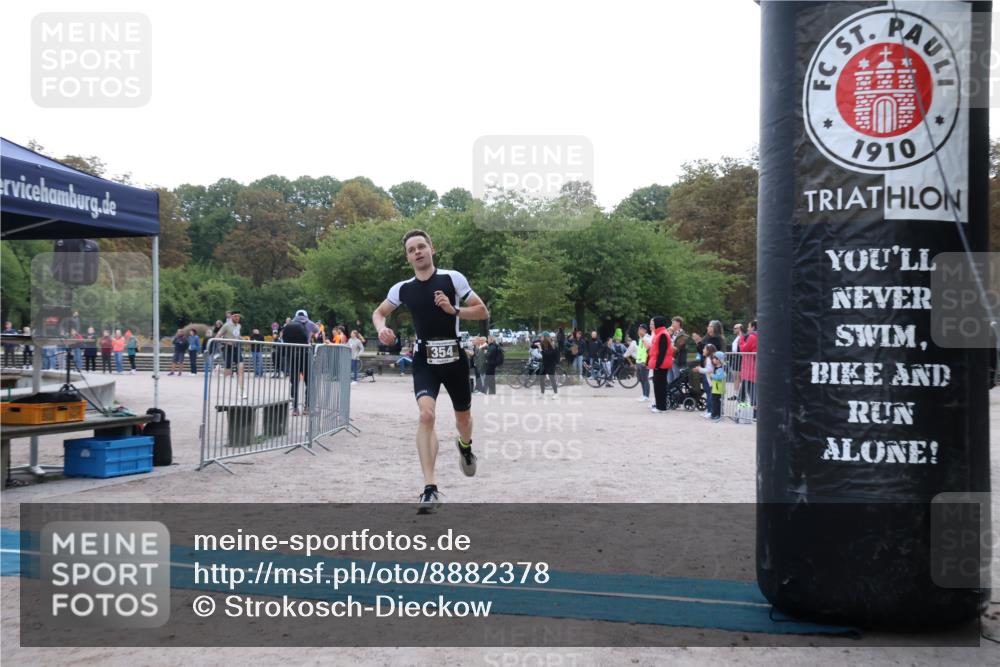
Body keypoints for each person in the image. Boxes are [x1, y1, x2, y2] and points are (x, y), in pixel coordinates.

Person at [372, 229, 490, 514]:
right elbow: (379, 313)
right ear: (407, 257)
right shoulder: (402, 288)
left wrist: (454, 311)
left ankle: (465, 445)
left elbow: (483, 311)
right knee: (426, 415)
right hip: (425, 359)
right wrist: (382, 330)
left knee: (464, 419)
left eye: (421, 247)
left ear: (432, 249)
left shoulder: (453, 279)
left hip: (454, 357)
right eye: (411, 249)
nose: (417, 252)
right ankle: (430, 488)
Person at [280, 310, 315, 416]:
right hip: (305, 355)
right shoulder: (309, 323)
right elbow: (317, 330)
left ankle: (295, 408)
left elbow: (283, 339)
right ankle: (307, 407)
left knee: (294, 382)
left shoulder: (288, 325)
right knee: (308, 382)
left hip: (292, 356)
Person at [216, 311, 246, 398]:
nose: (237, 318)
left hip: (237, 348)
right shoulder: (226, 325)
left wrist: (244, 339)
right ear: (232, 317)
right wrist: (226, 341)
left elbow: (237, 336)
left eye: (239, 317)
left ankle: (242, 391)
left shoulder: (239, 325)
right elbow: (218, 336)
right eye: (236, 316)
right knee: (228, 372)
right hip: (227, 348)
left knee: (241, 368)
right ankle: (219, 370)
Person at [647, 316, 673, 413]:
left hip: (661, 364)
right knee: (658, 385)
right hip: (658, 364)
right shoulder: (659, 334)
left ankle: (661, 407)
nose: (652, 325)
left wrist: (657, 365)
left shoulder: (663, 334)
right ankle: (659, 405)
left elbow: (662, 351)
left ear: (658, 323)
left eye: (653, 323)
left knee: (660, 386)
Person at [739, 320, 758, 415]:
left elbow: (744, 349)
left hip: (749, 369)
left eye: (749, 327)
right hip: (752, 369)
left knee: (748, 394)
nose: (747, 329)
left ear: (753, 327)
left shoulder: (752, 337)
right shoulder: (760, 336)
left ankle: (747, 413)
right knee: (747, 393)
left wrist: (741, 339)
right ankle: (746, 412)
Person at [694, 343, 718, 419]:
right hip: (711, 379)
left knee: (710, 395)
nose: (703, 350)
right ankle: (709, 411)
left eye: (704, 349)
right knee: (710, 395)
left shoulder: (708, 358)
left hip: (711, 380)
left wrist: (699, 369)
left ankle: (710, 411)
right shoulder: (711, 358)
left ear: (708, 351)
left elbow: (709, 370)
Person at [633, 324, 651, 402]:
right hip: (639, 361)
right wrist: (637, 361)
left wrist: (645, 361)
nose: (638, 331)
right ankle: (644, 394)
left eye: (640, 329)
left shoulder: (647, 338)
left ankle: (646, 395)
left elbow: (646, 351)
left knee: (645, 379)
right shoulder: (641, 338)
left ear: (645, 330)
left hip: (644, 362)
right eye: (638, 329)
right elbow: (639, 350)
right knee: (641, 379)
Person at [710, 351, 727, 423]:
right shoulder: (717, 367)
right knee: (714, 401)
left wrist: (712, 376)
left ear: (719, 360)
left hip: (719, 389)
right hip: (716, 388)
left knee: (717, 402)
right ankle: (714, 413)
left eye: (714, 358)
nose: (713, 359)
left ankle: (718, 414)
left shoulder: (721, 368)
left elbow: (720, 377)